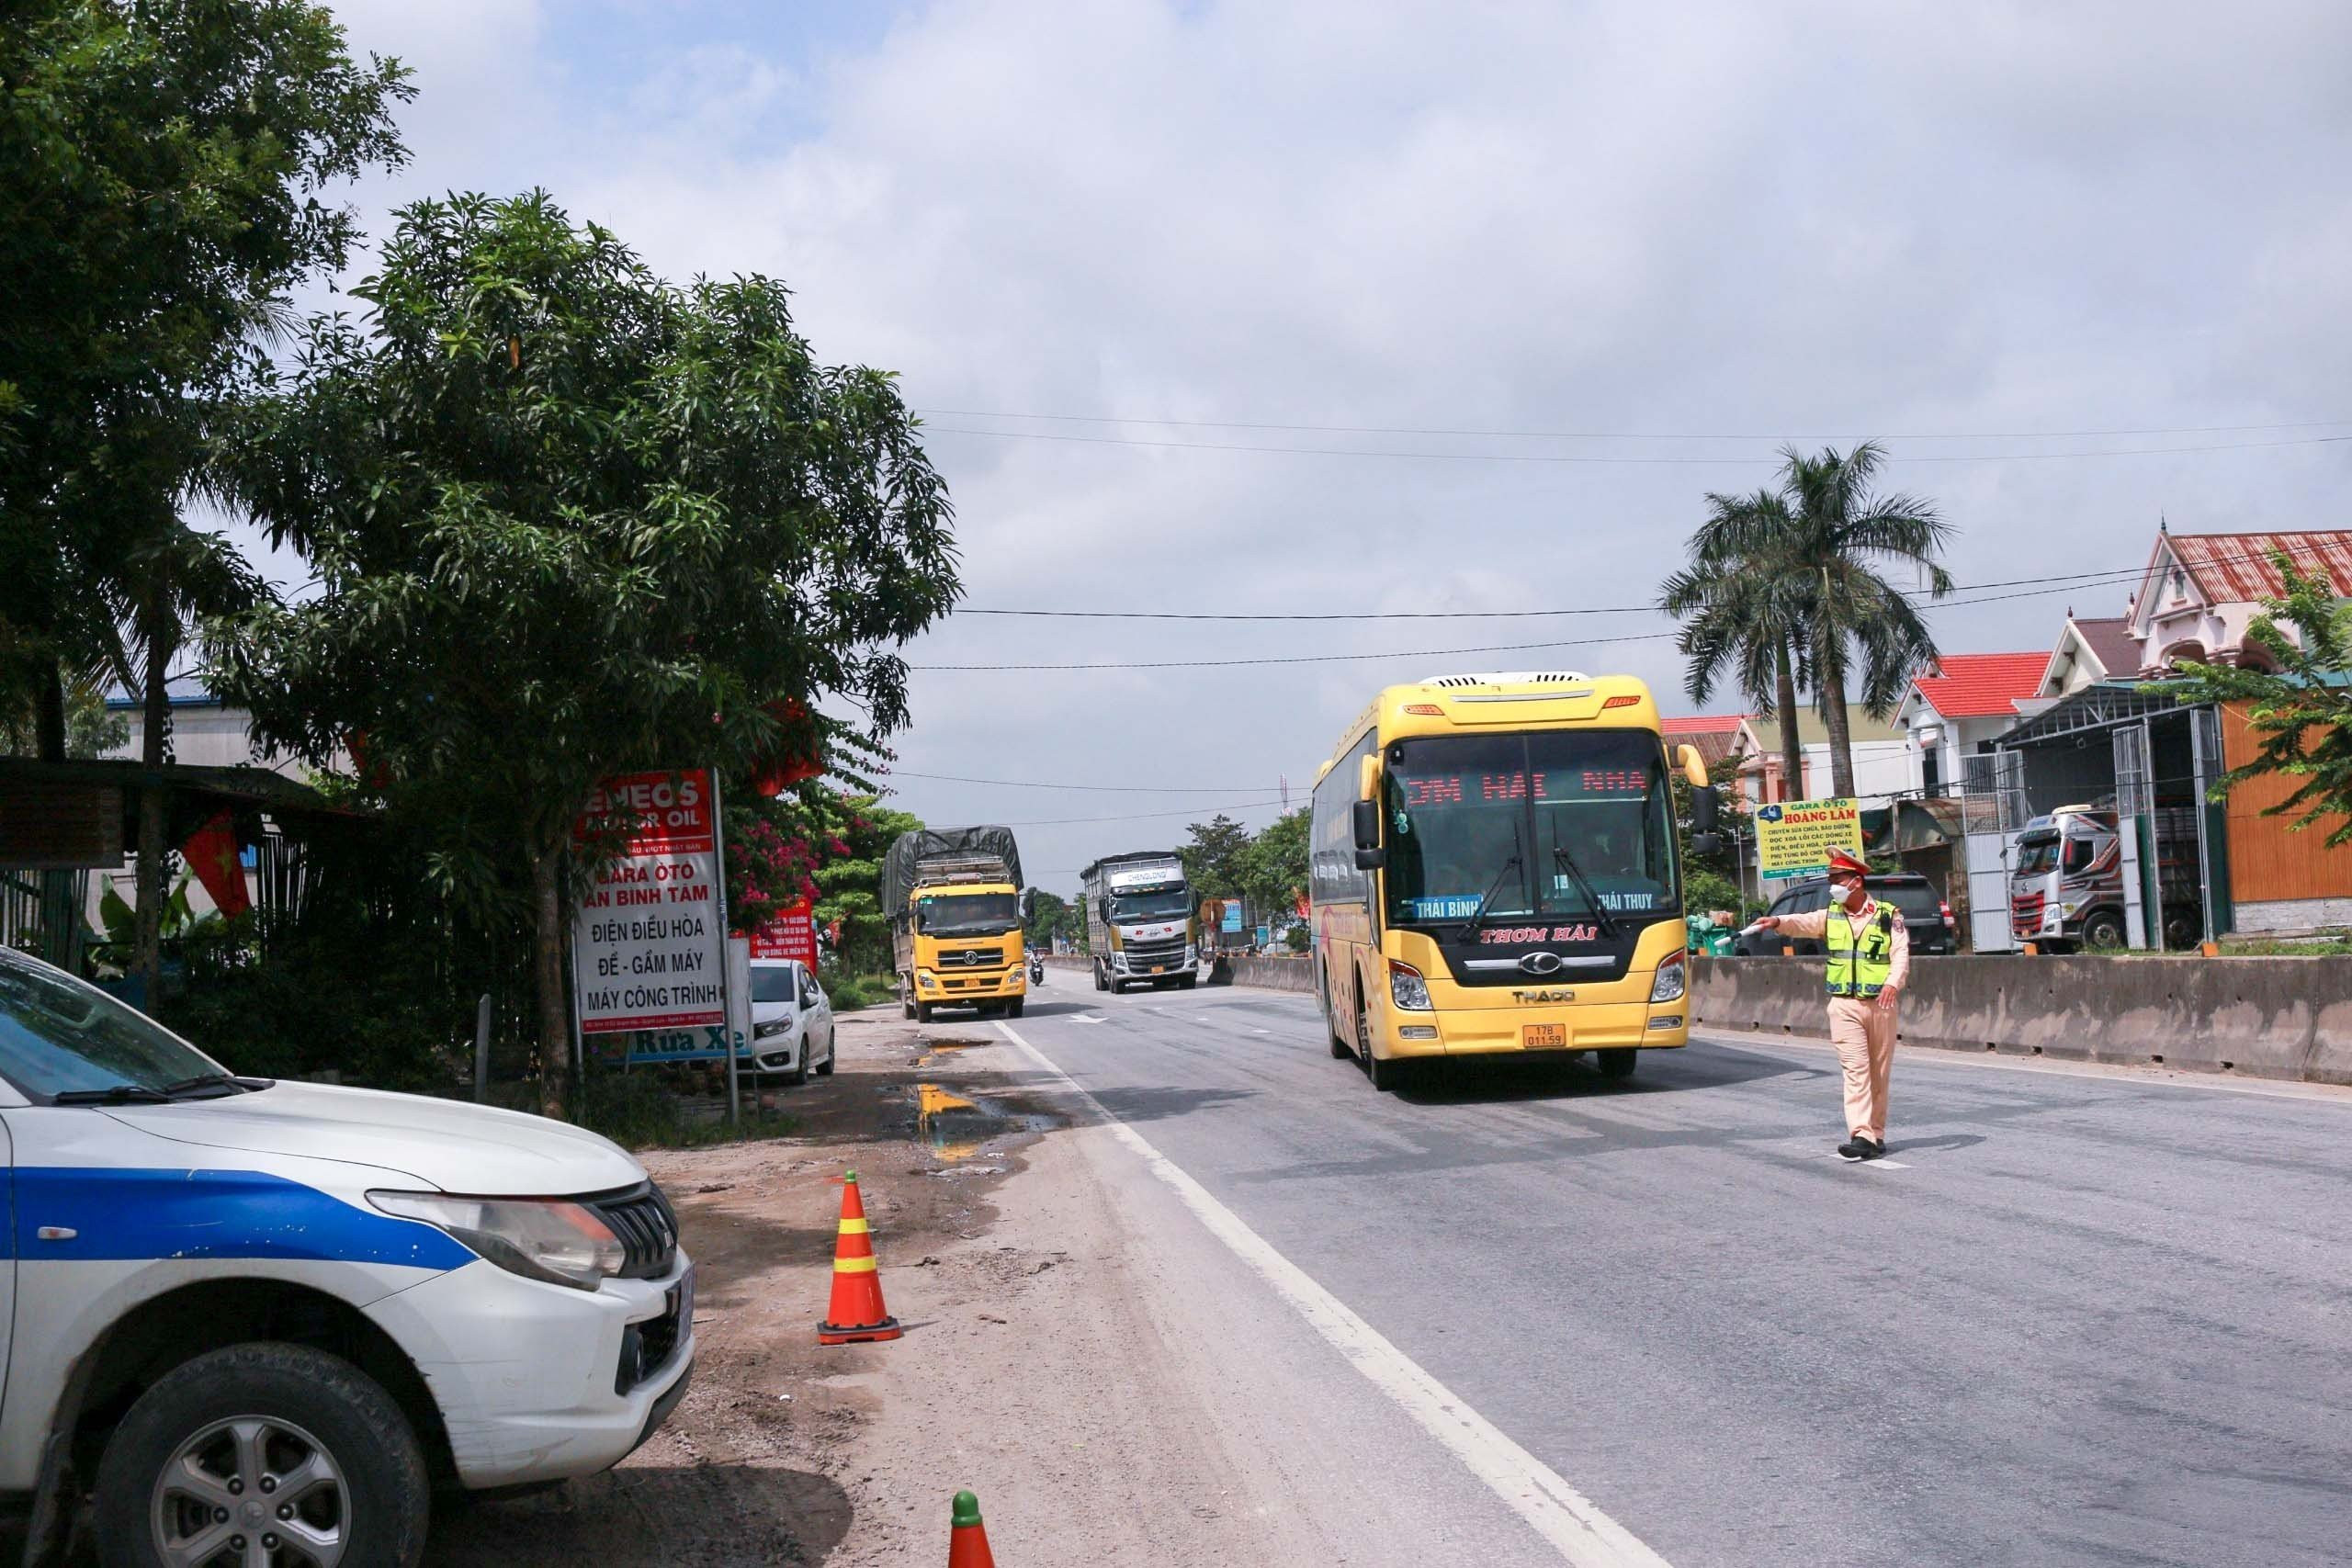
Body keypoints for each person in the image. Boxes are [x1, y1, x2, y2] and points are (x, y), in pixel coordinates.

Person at [1752, 846, 1909, 1161]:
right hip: (1844, 1005)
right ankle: (1861, 1133)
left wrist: (1893, 982)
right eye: (1831, 879)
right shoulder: (1831, 915)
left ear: (1856, 881)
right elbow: (1802, 922)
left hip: (1880, 1005)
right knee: (1856, 1070)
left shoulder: (1887, 915)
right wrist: (1777, 921)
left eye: (1837, 878)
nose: (1832, 885)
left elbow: (1900, 953)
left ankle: (1876, 1134)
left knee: (1879, 1072)